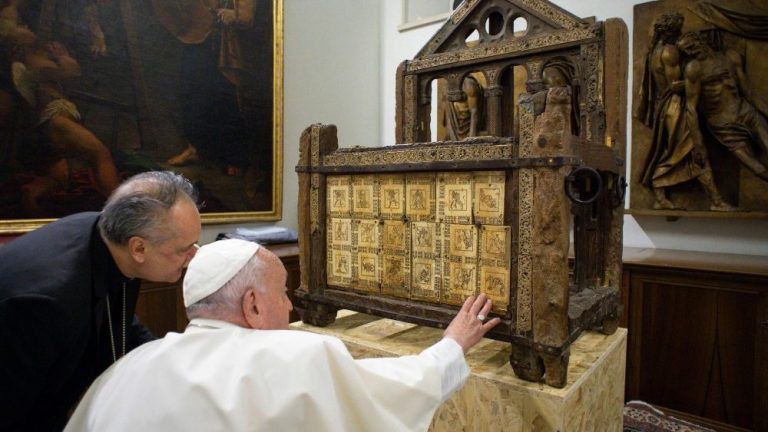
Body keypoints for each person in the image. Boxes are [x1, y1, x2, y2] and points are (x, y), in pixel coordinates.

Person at [66, 239, 501, 431]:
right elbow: (393, 392)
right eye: (283, 293)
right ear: (252, 305)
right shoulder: (296, 356)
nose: (291, 306)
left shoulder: (128, 368)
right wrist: (453, 344)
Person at [0, 170, 201, 431]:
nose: (194, 256)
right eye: (184, 249)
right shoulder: (48, 304)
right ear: (138, 248)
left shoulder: (109, 237)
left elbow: (120, 321)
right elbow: (16, 411)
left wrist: (168, 363)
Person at [637, 14, 733, 211]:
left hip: (669, 106)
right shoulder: (669, 52)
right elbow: (675, 85)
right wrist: (703, 78)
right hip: (675, 106)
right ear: (672, 31)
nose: (681, 32)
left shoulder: (655, 50)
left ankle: (714, 200)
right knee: (687, 151)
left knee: (686, 153)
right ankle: (713, 201)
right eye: (678, 29)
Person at [677, 31, 768, 183]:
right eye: (685, 51)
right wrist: (698, 143)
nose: (689, 52)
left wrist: (765, 110)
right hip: (723, 125)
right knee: (757, 168)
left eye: (691, 46)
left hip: (746, 113)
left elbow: (749, 93)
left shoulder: (730, 57)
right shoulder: (694, 69)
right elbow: (691, 108)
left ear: (700, 40)